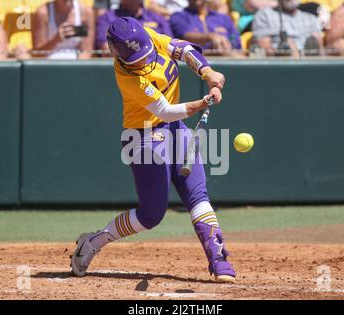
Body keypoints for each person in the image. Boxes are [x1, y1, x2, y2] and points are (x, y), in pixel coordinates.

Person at [70, 17, 236, 283]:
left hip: (175, 130)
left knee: (197, 193)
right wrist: (203, 102)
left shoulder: (146, 37)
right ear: (117, 53)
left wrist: (208, 72)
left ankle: (218, 257)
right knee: (151, 215)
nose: (144, 60)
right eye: (136, 58)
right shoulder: (127, 76)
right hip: (143, 138)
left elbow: (182, 49)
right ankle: (93, 242)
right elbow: (165, 112)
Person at [169, 0, 243, 56]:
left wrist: (227, 44)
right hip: (194, 63)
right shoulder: (179, 17)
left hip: (228, 62)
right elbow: (183, 36)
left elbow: (236, 41)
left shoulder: (223, 18)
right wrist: (210, 37)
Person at [96, 0, 173, 54]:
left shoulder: (157, 18)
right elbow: (105, 47)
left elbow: (169, 44)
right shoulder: (108, 18)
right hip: (123, 67)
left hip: (156, 65)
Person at [252, 0, 323, 56]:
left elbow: (320, 50)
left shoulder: (311, 18)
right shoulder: (264, 15)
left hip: (308, 64)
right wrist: (285, 51)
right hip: (279, 64)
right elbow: (264, 49)